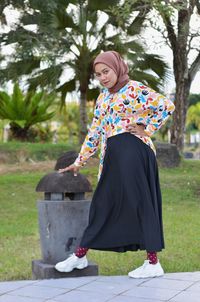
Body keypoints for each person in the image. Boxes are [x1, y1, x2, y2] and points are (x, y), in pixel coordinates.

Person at [55, 51, 175, 278]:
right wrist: (79, 161)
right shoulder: (102, 98)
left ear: (118, 67)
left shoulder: (134, 88)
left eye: (106, 71)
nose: (102, 77)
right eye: (98, 74)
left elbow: (166, 106)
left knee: (140, 202)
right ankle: (80, 256)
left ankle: (153, 263)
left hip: (134, 151)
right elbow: (96, 131)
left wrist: (145, 127)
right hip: (113, 155)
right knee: (103, 203)